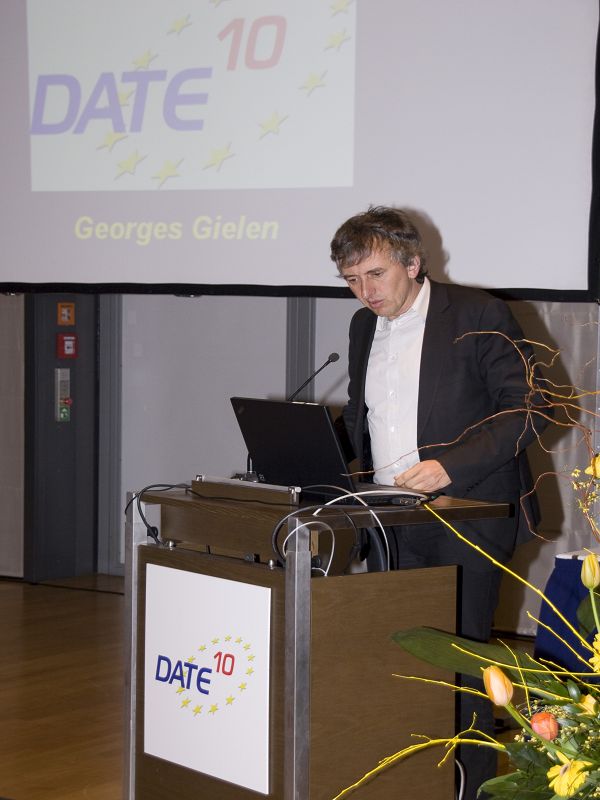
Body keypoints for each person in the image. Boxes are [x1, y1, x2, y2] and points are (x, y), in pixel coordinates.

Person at [330, 205, 546, 800]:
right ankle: (411, 783)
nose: (365, 291)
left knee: (461, 665)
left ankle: (470, 788)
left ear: (412, 263)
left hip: (467, 514)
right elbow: (367, 417)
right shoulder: (363, 326)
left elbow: (528, 408)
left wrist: (452, 466)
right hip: (389, 518)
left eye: (375, 275)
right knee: (402, 658)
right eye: (351, 280)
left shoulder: (478, 314)